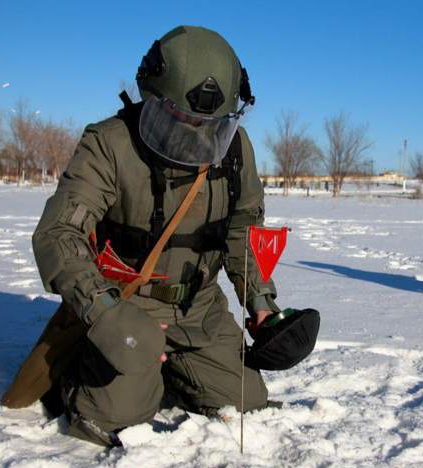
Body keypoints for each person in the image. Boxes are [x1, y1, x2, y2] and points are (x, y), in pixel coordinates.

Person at [28, 26, 280, 446]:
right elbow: (59, 232)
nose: (196, 137)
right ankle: (79, 378)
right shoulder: (109, 143)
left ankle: (170, 372)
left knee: (247, 402)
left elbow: (245, 228)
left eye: (211, 126)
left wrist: (261, 304)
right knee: (119, 419)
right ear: (152, 97)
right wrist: (102, 309)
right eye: (181, 121)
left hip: (199, 308)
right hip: (127, 304)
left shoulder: (237, 149)